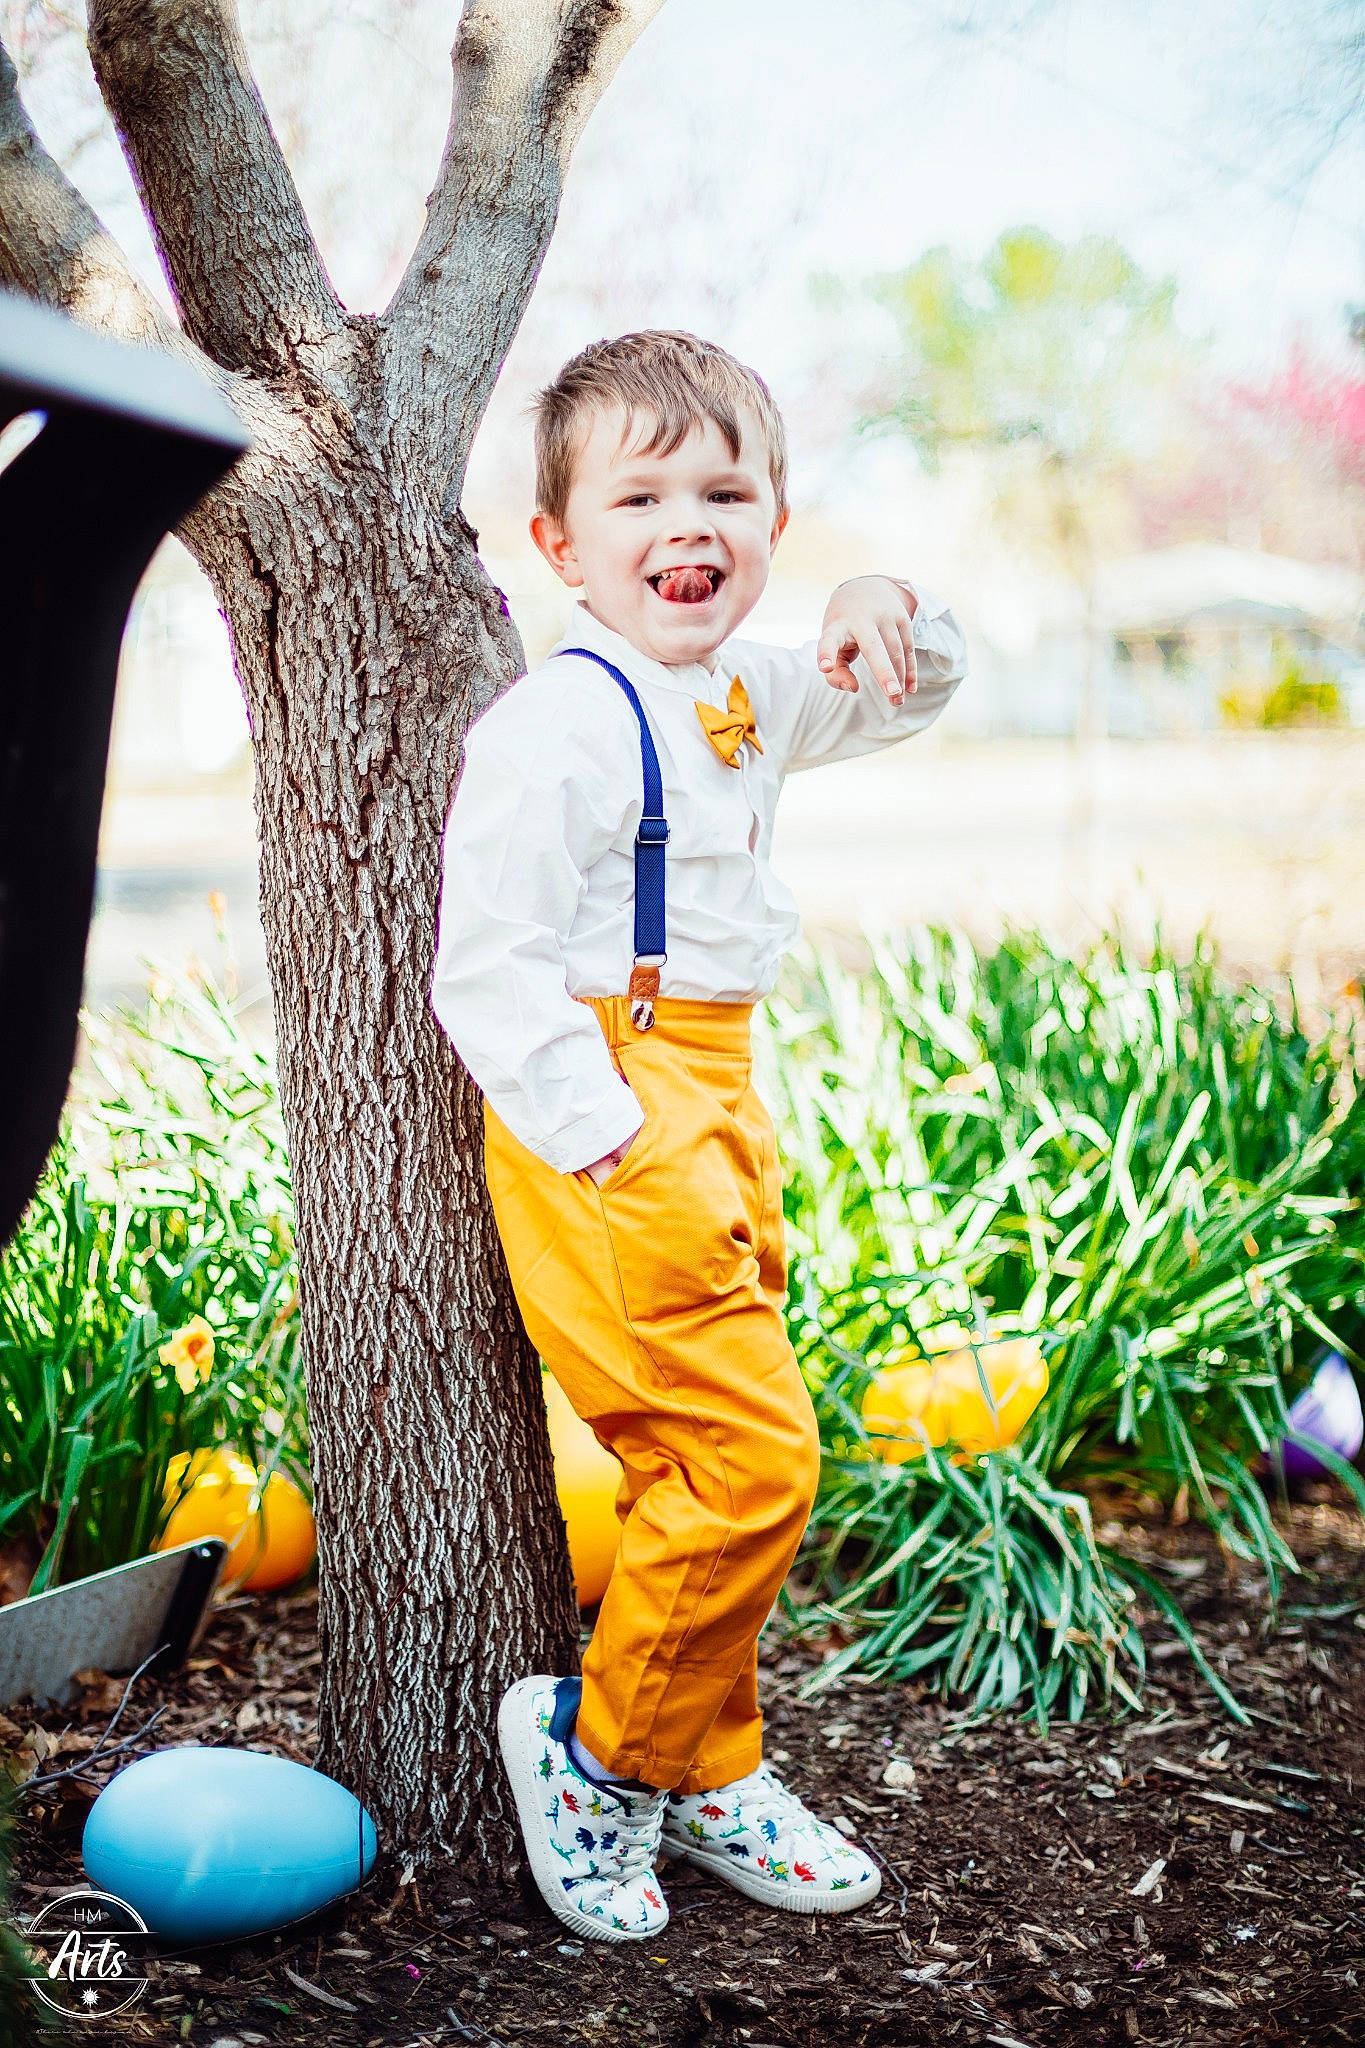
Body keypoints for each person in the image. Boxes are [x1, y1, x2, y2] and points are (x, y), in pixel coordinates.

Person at [430, 329, 967, 1944]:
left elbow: (899, 698)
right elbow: (488, 963)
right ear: (559, 546)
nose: (689, 522)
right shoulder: (560, 725)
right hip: (612, 1103)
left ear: (773, 521)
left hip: (718, 1086)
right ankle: (605, 1762)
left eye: (725, 489)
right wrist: (609, 1144)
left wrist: (890, 606)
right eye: (640, 492)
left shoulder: (736, 689)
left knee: (706, 1462)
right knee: (748, 1464)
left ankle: (704, 1758)